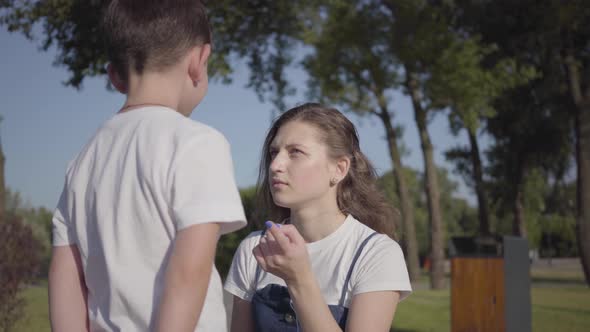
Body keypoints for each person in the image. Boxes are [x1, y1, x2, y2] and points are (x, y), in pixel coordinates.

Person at [48, 1, 246, 331]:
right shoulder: (198, 143)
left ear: (114, 76)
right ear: (199, 61)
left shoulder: (83, 160)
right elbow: (188, 273)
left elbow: (65, 275)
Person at [224, 103, 412, 331]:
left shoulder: (376, 253)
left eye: (296, 152)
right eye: (274, 152)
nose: (275, 165)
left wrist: (299, 279)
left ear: (339, 169)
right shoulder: (254, 248)